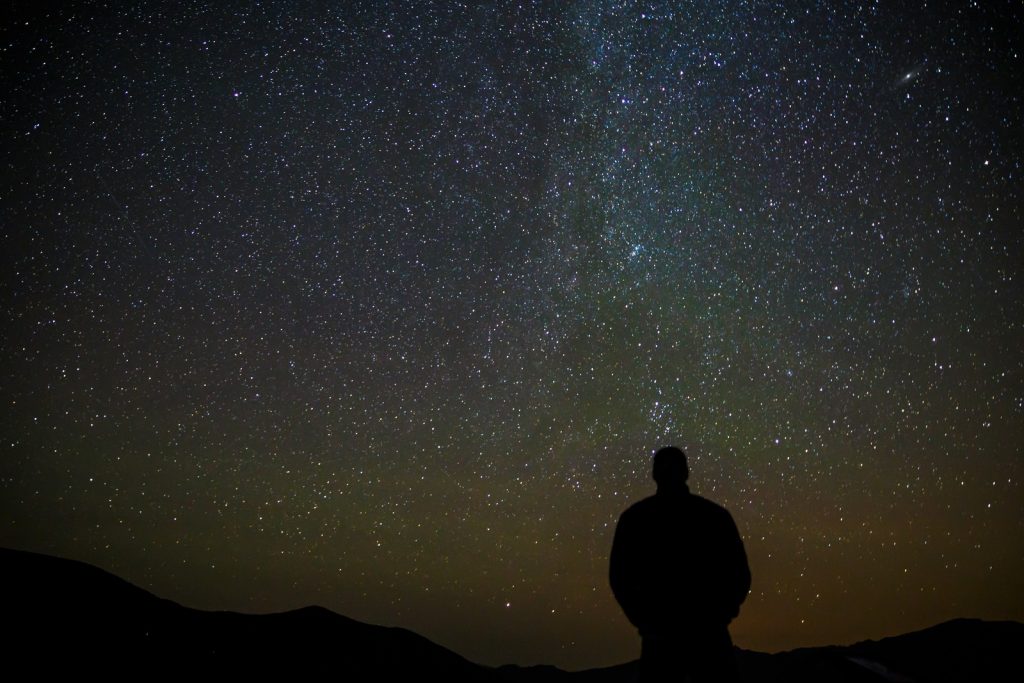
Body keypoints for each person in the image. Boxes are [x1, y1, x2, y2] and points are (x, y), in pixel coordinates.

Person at [609, 446, 751, 682]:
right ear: (686, 472)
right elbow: (739, 572)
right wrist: (720, 616)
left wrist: (646, 621)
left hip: (663, 638)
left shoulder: (636, 519)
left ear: (654, 474)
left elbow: (620, 578)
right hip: (707, 636)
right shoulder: (714, 516)